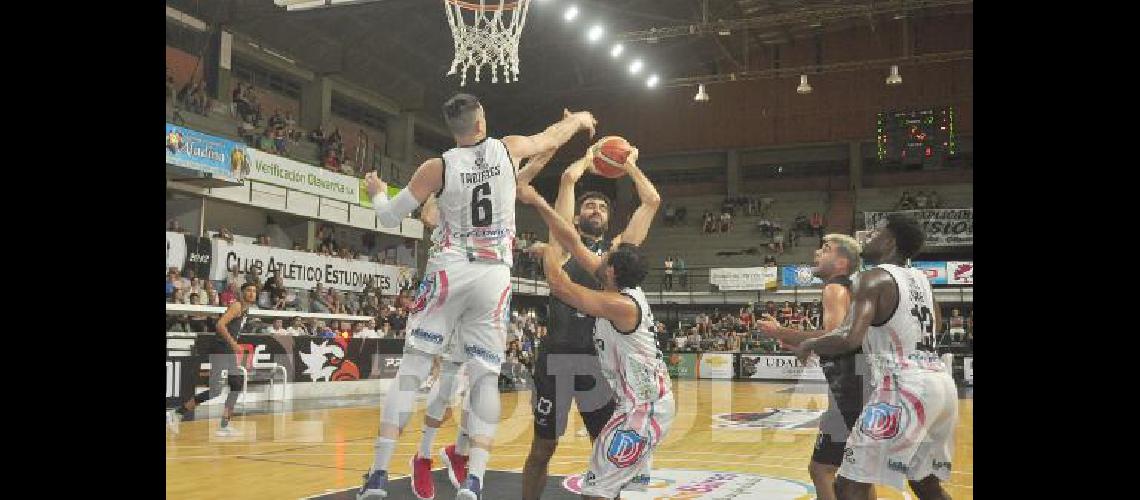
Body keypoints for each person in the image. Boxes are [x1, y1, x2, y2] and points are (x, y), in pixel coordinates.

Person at [356, 93, 597, 500]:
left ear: (454, 128)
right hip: (493, 274)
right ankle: (474, 480)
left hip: (450, 269)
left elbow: (389, 215)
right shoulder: (510, 149)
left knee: (414, 368)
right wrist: (579, 121)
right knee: (485, 375)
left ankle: (379, 474)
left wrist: (377, 189)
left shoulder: (438, 167)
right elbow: (550, 137)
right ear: (482, 120)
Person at [520, 143, 660, 500]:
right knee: (542, 448)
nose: (595, 209)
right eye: (588, 205)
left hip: (597, 364)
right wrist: (590, 155)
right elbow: (568, 179)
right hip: (555, 359)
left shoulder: (617, 255)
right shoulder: (565, 245)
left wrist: (627, 165)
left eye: (601, 206)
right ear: (578, 215)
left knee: (607, 447)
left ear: (609, 218)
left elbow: (651, 203)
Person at [794, 216, 958, 499]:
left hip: (903, 387)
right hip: (941, 384)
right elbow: (937, 325)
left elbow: (848, 338)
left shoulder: (873, 277)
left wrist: (810, 342)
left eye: (876, 232)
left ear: (890, 242)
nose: (868, 236)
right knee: (924, 483)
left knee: (848, 484)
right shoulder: (922, 280)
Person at [757, 234, 867, 500]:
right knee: (858, 475)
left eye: (826, 249)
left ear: (841, 263)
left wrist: (779, 331)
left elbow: (835, 338)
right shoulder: (854, 289)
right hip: (864, 384)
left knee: (821, 470)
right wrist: (802, 345)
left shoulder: (834, 289)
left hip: (848, 390)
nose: (817, 253)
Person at [167, 282, 258, 437]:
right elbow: (220, 325)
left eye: (254, 291)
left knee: (231, 386)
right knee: (226, 387)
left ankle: (183, 414)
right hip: (221, 348)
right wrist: (234, 344)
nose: (251, 293)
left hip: (225, 349)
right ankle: (178, 414)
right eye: (248, 290)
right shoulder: (236, 306)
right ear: (242, 293)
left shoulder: (245, 310)